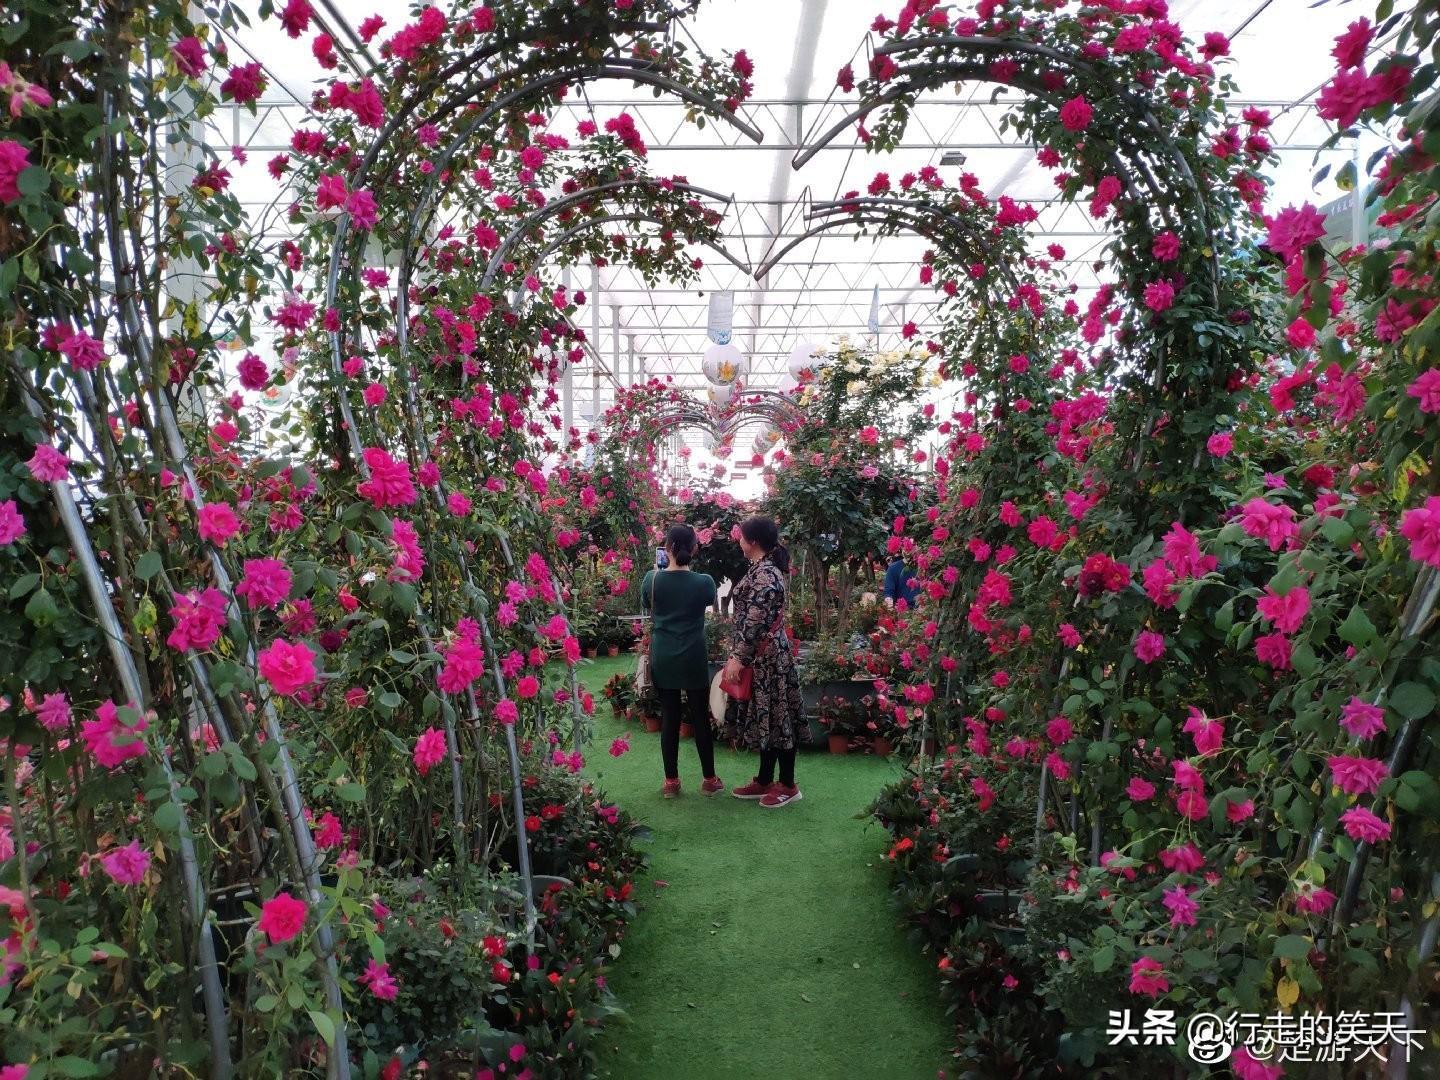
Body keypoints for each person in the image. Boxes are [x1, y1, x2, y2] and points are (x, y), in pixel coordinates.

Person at [722, 516, 805, 809]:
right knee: (767, 716)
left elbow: (756, 621)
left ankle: (788, 785)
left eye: (742, 536)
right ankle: (765, 779)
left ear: (753, 541)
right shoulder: (761, 568)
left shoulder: (766, 575)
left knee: (780, 717)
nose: (739, 540)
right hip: (762, 657)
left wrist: (739, 657)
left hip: (769, 658)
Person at [640, 524, 722, 799]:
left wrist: (659, 572)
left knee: (670, 717)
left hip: (664, 657)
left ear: (667, 548)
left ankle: (671, 782)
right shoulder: (705, 582)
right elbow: (707, 600)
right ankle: (709, 779)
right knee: (700, 717)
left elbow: (647, 603)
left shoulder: (652, 579)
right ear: (695, 549)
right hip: (693, 656)